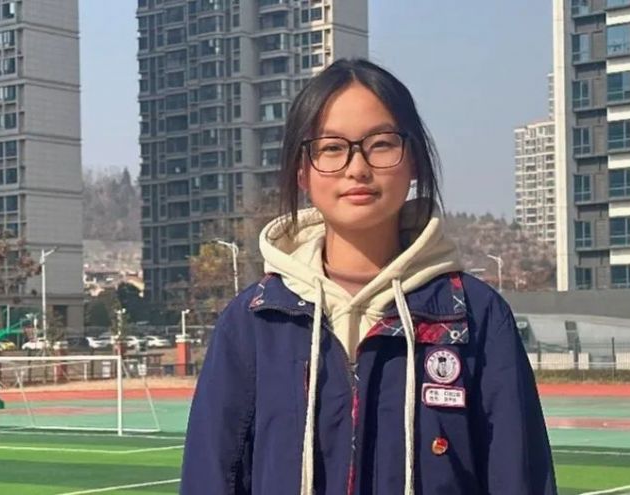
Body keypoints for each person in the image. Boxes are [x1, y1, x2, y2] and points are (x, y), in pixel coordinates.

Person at [181, 58, 556, 495]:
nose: (357, 167)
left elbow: (519, 477)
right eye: (331, 148)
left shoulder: (474, 316)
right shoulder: (255, 320)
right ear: (302, 172)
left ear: (414, 161)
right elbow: (211, 476)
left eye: (380, 144)